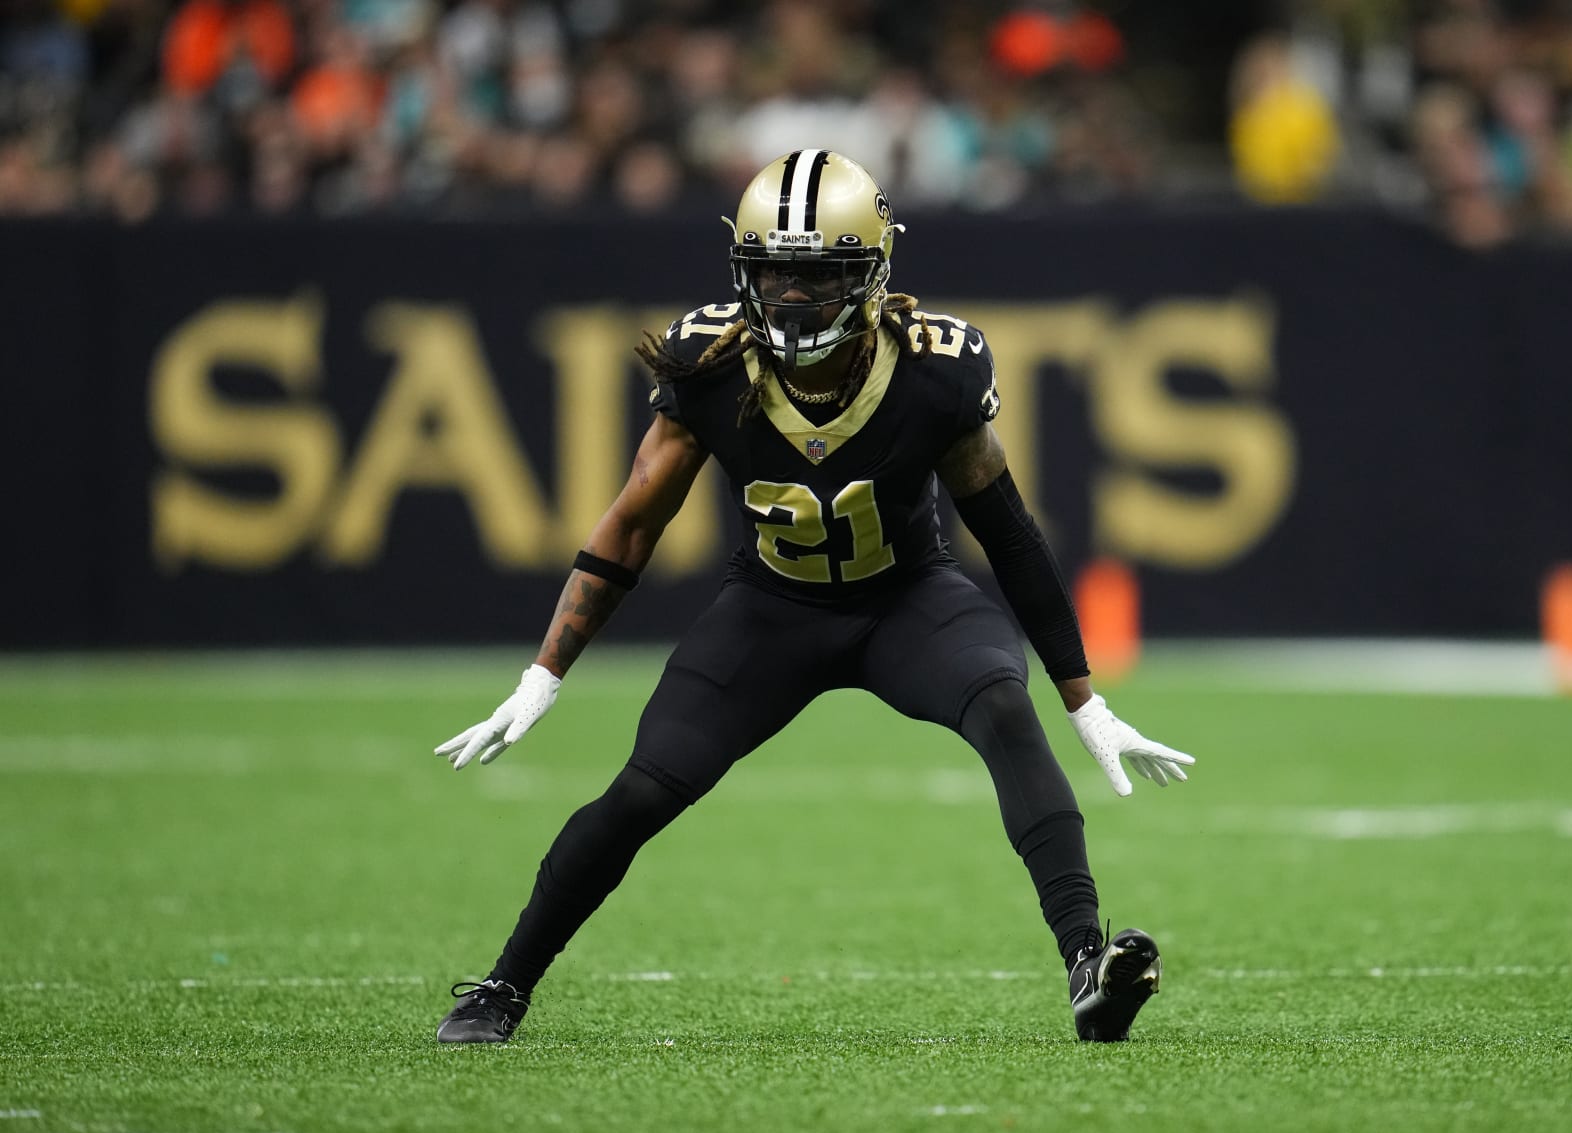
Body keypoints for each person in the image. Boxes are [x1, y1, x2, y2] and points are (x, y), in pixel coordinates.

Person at [432, 149, 1193, 1045]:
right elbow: (632, 524)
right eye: (773, 273)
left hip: (908, 601)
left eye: (820, 276)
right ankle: (503, 986)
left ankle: (1086, 967)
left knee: (1001, 704)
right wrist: (543, 675)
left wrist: (1085, 702)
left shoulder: (935, 369)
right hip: (772, 610)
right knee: (642, 791)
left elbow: (1010, 535)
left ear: (871, 275)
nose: (792, 297)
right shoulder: (710, 362)